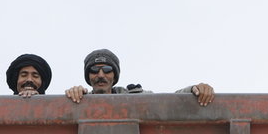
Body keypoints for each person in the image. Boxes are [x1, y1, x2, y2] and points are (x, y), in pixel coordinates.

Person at [65, 48, 215, 106]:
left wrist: (194, 89)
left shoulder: (135, 97)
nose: (101, 75)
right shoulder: (79, 99)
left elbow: (168, 101)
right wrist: (72, 98)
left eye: (107, 69)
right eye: (94, 70)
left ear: (114, 76)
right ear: (88, 76)